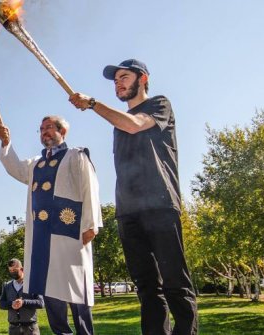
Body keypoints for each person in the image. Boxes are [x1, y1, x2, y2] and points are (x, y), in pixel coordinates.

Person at [69, 59, 198, 335]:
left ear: (143, 78)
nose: (118, 83)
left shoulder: (159, 104)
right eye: (115, 80)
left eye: (124, 77)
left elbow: (135, 124)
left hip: (160, 205)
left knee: (175, 281)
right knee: (147, 287)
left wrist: (93, 104)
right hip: (128, 213)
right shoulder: (118, 125)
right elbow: (124, 125)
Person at [0, 116, 103, 335]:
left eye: (49, 127)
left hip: (71, 233)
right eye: (41, 129)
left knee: (78, 294)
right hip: (42, 239)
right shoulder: (35, 163)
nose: (44, 132)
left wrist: (91, 225)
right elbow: (16, 168)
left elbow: (90, 188)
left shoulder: (76, 155)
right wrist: (6, 143)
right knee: (52, 292)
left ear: (62, 130)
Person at [0, 258, 44, 335]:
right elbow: (1, 304)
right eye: (10, 271)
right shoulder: (7, 286)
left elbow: (41, 303)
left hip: (31, 329)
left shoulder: (33, 284)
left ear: (22, 269)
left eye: (15, 270)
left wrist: (23, 302)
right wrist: (11, 304)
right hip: (13, 329)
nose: (12, 272)